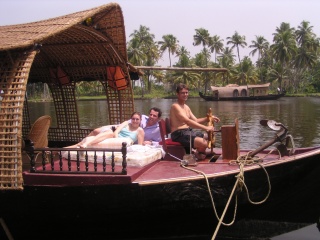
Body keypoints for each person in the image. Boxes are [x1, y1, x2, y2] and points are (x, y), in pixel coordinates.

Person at [170, 83, 220, 159]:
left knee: (209, 136)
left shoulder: (186, 107)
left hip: (187, 132)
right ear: (177, 94)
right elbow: (188, 121)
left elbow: (195, 120)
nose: (185, 94)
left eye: (186, 92)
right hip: (178, 134)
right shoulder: (175, 106)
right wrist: (206, 128)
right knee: (205, 143)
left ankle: (199, 153)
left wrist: (208, 118)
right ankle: (198, 153)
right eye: (182, 93)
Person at [87, 107, 162, 146]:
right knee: (95, 131)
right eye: (150, 114)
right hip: (121, 129)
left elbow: (159, 142)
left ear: (158, 118)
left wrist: (151, 143)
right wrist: (117, 129)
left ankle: (86, 144)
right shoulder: (141, 117)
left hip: (129, 138)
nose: (151, 117)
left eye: (154, 116)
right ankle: (81, 144)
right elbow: (128, 122)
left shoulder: (157, 129)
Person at [66, 112, 144, 148]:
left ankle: (83, 144)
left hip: (121, 141)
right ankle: (84, 144)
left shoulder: (140, 131)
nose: (135, 121)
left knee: (109, 133)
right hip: (113, 135)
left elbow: (140, 146)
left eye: (137, 119)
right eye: (133, 119)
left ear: (140, 120)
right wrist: (116, 139)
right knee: (106, 132)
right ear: (131, 119)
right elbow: (116, 131)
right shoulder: (126, 123)